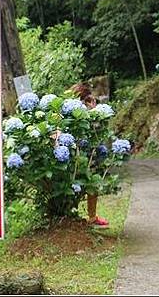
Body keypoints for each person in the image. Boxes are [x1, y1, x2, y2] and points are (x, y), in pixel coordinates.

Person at [70, 82, 110, 229]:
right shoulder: (83, 108)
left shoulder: (71, 107)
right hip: (85, 152)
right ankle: (91, 216)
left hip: (84, 151)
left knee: (86, 183)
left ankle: (90, 217)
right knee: (91, 184)